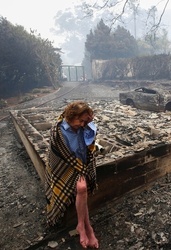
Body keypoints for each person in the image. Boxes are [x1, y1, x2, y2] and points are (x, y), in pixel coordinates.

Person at [45, 101, 99, 249]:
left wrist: (89, 121)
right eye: (79, 120)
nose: (82, 124)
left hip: (81, 163)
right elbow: (58, 154)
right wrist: (77, 167)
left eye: (84, 121)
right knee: (82, 188)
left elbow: (91, 140)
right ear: (70, 116)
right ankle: (85, 227)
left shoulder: (84, 126)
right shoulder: (59, 130)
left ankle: (85, 228)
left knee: (83, 189)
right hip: (65, 166)